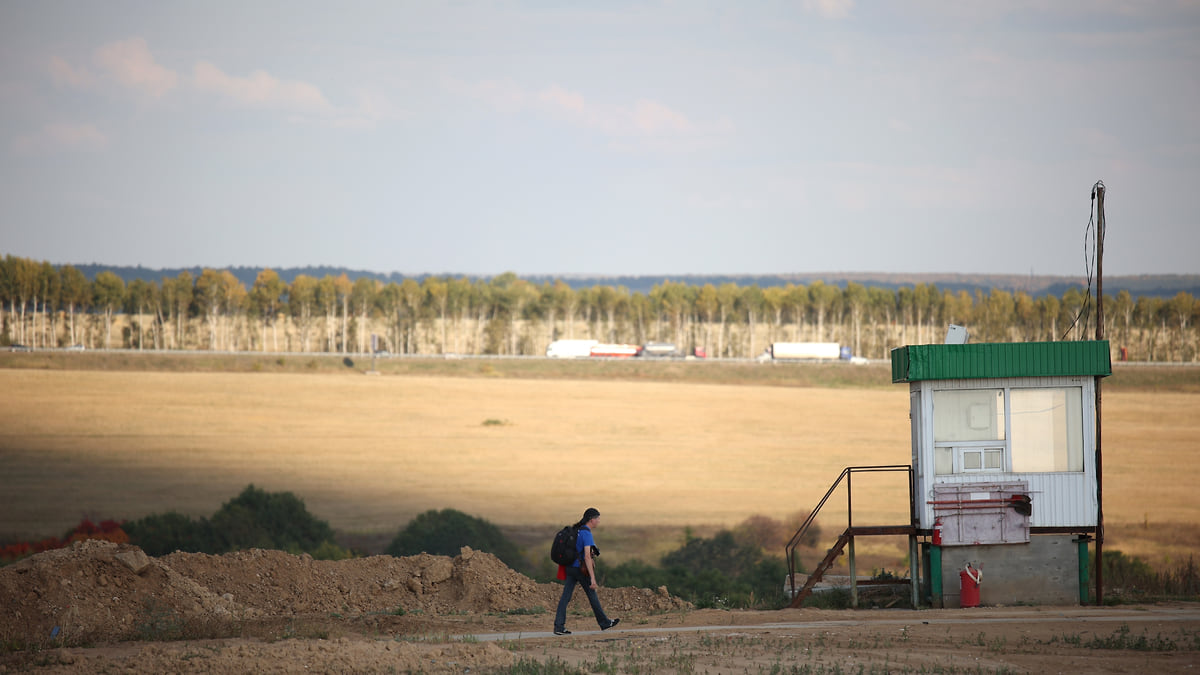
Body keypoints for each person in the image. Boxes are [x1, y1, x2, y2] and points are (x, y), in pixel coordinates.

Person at [553, 507, 620, 635]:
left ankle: (559, 626)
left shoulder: (576, 530)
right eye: (598, 518)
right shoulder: (586, 533)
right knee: (592, 595)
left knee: (565, 597)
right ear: (591, 519)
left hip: (570, 568)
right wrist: (593, 578)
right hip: (580, 569)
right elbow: (587, 556)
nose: (599, 521)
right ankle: (604, 622)